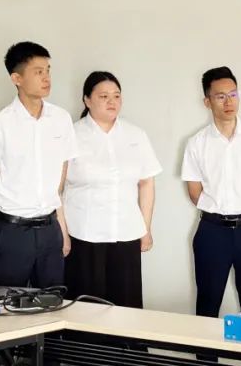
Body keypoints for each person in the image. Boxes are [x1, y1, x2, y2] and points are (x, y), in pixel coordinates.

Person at [181, 67, 241, 319]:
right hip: (212, 232)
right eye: (220, 96)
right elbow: (195, 192)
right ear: (207, 101)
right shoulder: (197, 143)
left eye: (233, 94)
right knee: (207, 304)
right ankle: (204, 347)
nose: (229, 102)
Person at [0, 41, 77, 288]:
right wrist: (12, 214)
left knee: (53, 299)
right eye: (38, 71)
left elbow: (61, 175)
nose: (46, 78)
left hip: (50, 228)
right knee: (9, 299)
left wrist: (60, 227)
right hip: (13, 230)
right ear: (17, 78)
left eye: (48, 70)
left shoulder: (61, 119)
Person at [63, 71, 160, 307]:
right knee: (86, 306)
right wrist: (62, 233)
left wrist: (145, 228)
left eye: (116, 96)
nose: (112, 101)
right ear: (87, 100)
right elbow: (55, 189)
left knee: (126, 305)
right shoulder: (71, 135)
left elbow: (146, 183)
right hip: (84, 235)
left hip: (126, 233)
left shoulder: (136, 135)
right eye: (104, 96)